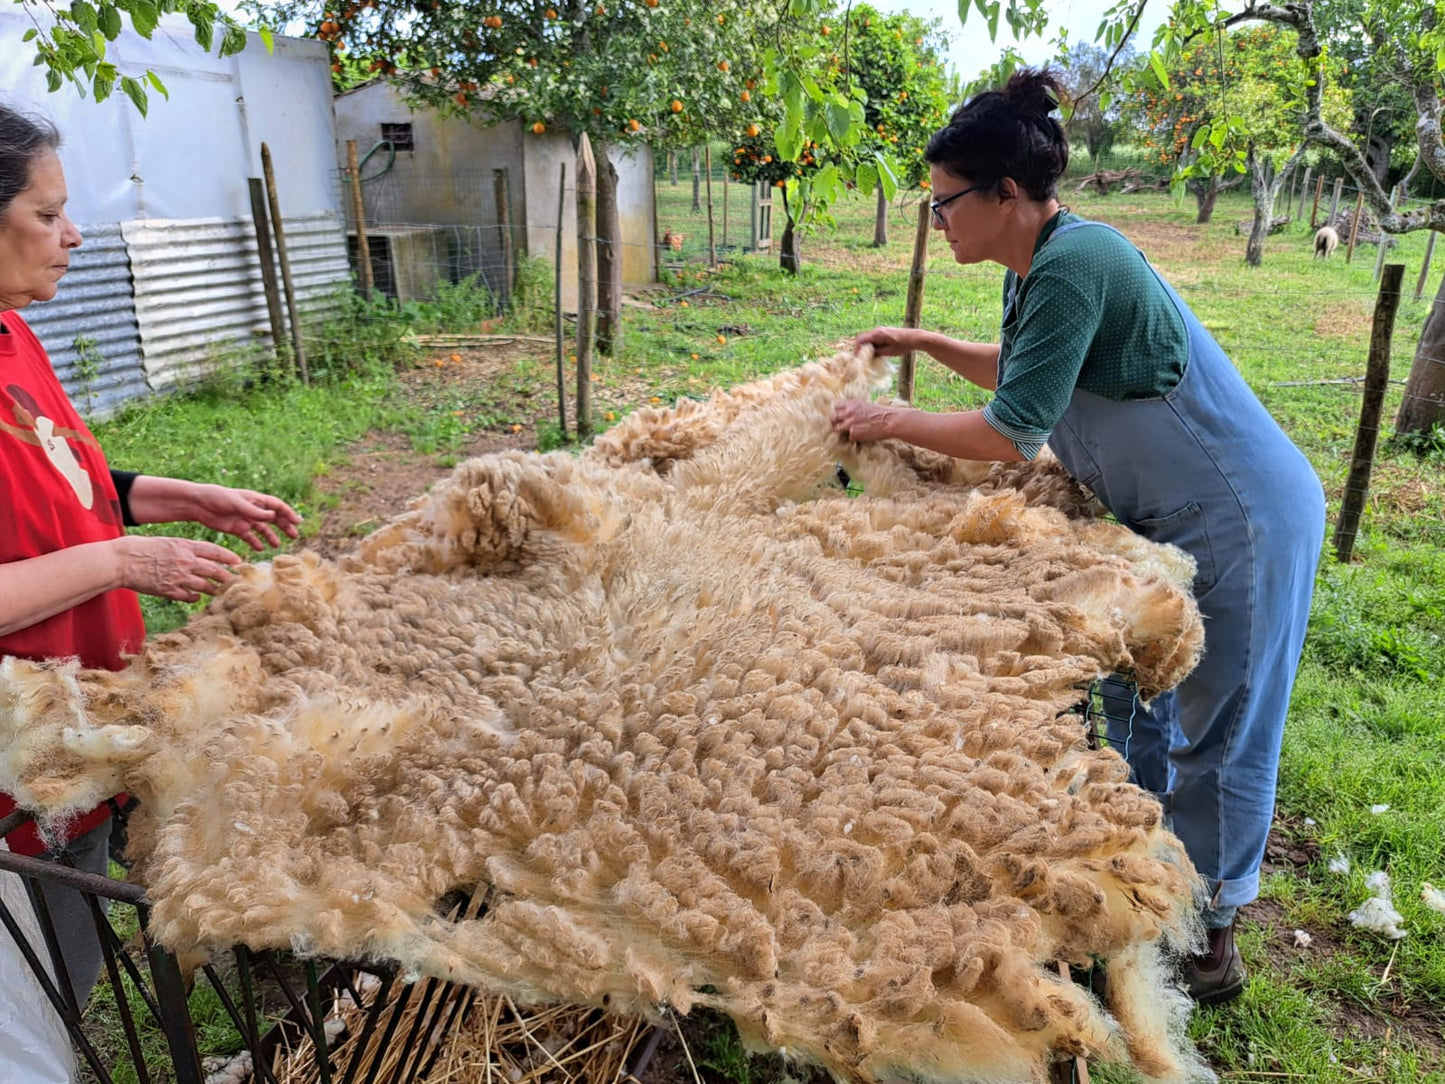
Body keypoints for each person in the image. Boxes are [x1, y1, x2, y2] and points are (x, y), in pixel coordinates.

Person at [831, 69, 1324, 1006]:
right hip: (1162, 521)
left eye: (944, 204)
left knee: (1220, 727)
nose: (938, 222)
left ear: (1006, 193)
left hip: (1242, 519)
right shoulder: (1037, 270)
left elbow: (1011, 429)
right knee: (1139, 695)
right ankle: (1139, 875)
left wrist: (888, 420)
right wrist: (923, 342)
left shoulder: (1076, 262)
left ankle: (1209, 936)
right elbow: (1025, 372)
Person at [0, 101, 302, 1018]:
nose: (73, 236)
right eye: (48, 215)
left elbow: (60, 478)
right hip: (18, 771)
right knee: (39, 993)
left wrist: (181, 497)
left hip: (83, 719)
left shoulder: (12, 331)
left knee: (75, 956)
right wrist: (121, 561)